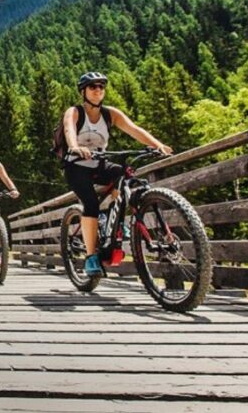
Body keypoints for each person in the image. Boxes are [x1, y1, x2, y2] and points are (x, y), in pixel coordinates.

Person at [63, 71, 173, 277]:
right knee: (91, 204)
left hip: (99, 163)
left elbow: (134, 129)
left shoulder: (110, 114)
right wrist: (75, 146)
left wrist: (157, 145)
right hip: (76, 166)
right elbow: (69, 129)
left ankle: (112, 222)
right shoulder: (75, 112)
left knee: (126, 176)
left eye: (101, 87)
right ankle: (90, 256)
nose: (98, 90)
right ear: (83, 91)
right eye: (92, 87)